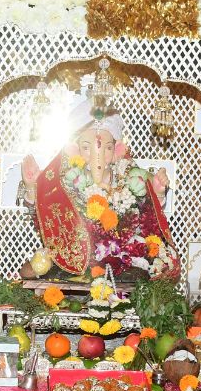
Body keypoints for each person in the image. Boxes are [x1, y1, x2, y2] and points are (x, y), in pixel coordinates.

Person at [20, 100, 179, 281]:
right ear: (76, 150)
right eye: (86, 148)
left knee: (138, 273)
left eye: (108, 148)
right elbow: (46, 216)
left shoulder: (127, 177)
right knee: (38, 271)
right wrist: (32, 188)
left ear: (117, 150)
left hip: (122, 258)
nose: (98, 154)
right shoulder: (69, 179)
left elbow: (148, 217)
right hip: (78, 259)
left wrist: (157, 193)